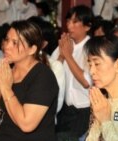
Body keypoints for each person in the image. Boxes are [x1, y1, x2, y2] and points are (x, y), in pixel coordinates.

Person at [0, 20, 59, 141]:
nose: (6, 46)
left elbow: (27, 124)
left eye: (15, 43)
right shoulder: (7, 70)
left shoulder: (43, 76)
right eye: (7, 40)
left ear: (32, 49)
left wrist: (6, 89)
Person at [51, 5, 93, 141]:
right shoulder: (64, 44)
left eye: (75, 22)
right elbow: (51, 75)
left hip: (84, 110)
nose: (69, 26)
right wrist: (62, 56)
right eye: (68, 21)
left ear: (87, 26)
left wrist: (68, 56)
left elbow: (87, 81)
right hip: (63, 109)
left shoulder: (92, 47)